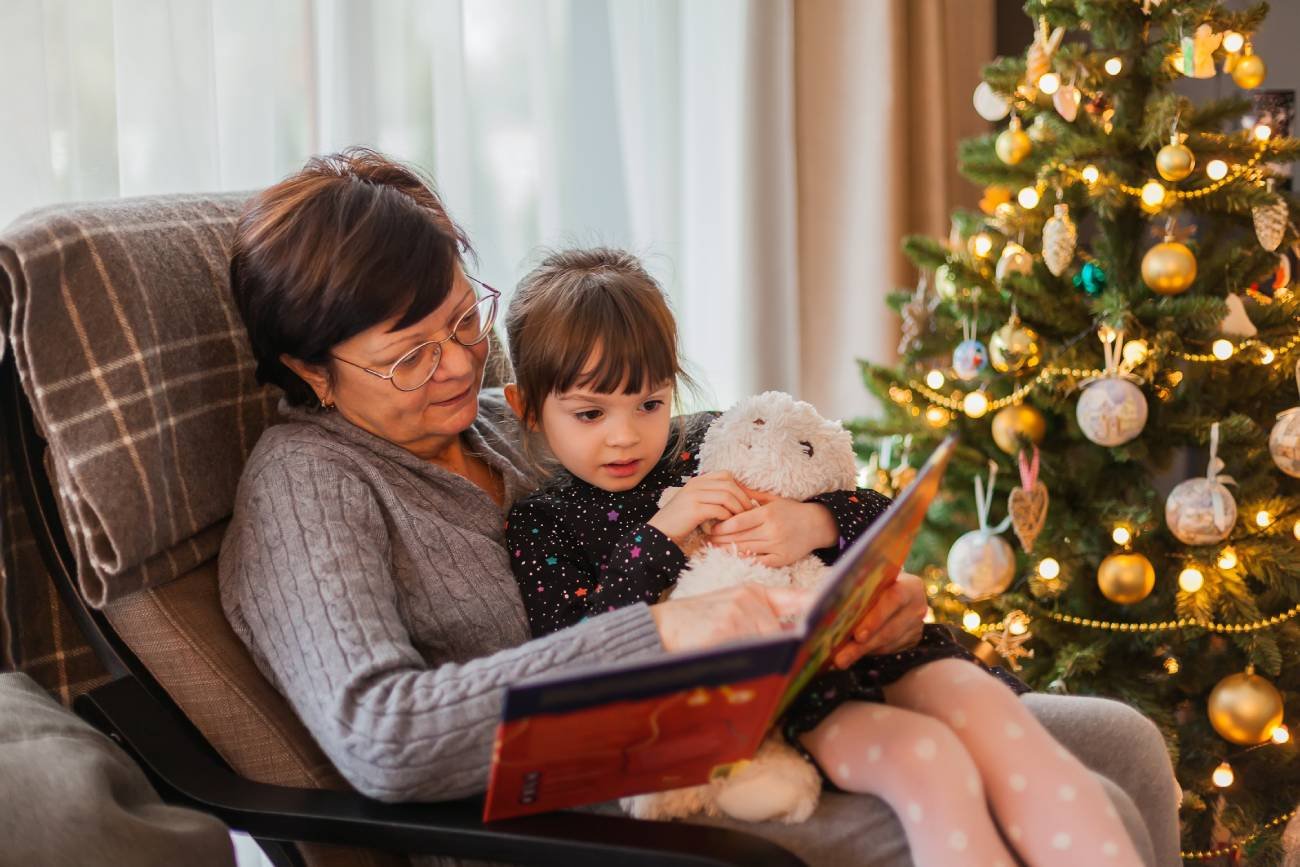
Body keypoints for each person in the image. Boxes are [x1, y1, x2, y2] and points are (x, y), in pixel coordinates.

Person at [219, 147, 1181, 866]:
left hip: (756, 704)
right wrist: (661, 632)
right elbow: (384, 736)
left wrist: (865, 574)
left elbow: (737, 449)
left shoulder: (508, 418)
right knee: (988, 797)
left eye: (466, 318)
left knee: (1123, 741)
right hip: (583, 806)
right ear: (313, 370)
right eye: (410, 356)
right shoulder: (309, 483)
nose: (461, 364)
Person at [501, 248, 1144, 866]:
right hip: (794, 703)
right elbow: (579, 651)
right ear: (526, 407)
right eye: (590, 414)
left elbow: (878, 514)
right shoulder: (543, 524)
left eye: (649, 403)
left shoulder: (715, 439)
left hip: (879, 648)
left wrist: (813, 522)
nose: (625, 435)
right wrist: (660, 536)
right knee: (928, 762)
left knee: (1011, 733)